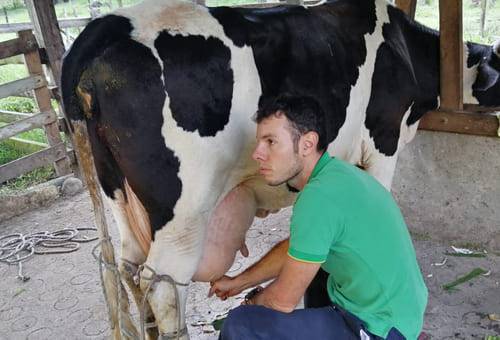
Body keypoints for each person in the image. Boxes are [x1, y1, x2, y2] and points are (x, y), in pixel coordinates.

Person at [208, 94, 428, 340]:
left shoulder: (318, 198)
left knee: (242, 325)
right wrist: (240, 282)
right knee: (312, 266)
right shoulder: (338, 174)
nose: (257, 153)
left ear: (307, 144)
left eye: (271, 142)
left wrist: (253, 302)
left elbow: (282, 301)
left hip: (380, 329)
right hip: (398, 314)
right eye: (259, 142)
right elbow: (298, 248)